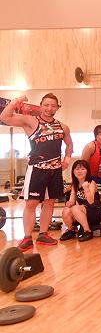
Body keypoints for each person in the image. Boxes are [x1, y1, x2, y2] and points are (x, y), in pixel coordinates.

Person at [0, 94, 73, 251]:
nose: (49, 108)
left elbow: (69, 144)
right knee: (31, 203)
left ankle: (43, 235)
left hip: (55, 171)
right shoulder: (31, 121)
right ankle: (27, 238)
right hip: (37, 169)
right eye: (46, 105)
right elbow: (5, 117)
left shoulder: (63, 126)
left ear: (57, 108)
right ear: (40, 106)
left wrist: (67, 160)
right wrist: (16, 101)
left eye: (53, 105)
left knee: (50, 202)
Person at [60, 160, 101, 242]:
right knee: (66, 210)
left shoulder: (91, 183)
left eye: (82, 169)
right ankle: (71, 230)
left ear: (87, 171)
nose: (80, 171)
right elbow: (72, 201)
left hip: (95, 212)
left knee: (75, 208)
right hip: (81, 212)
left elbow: (91, 202)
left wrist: (86, 188)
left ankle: (87, 231)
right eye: (77, 169)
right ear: (73, 171)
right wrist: (68, 203)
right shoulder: (75, 184)